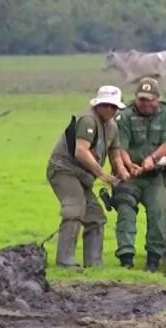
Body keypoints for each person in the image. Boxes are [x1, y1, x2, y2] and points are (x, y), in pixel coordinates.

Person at [46, 85, 124, 268]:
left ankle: (94, 264)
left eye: (113, 107)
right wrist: (103, 175)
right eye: (106, 105)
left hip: (83, 176)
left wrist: (123, 173)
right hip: (64, 170)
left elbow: (115, 153)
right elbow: (81, 151)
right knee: (74, 210)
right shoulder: (88, 120)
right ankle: (65, 262)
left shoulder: (112, 126)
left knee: (96, 216)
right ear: (98, 104)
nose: (109, 110)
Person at [111, 78, 166, 271]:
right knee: (125, 211)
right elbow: (119, 146)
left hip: (154, 175)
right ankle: (126, 257)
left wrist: (152, 159)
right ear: (136, 98)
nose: (146, 103)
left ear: (158, 99)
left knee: (158, 214)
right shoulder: (124, 115)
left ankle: (153, 259)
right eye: (142, 99)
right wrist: (129, 165)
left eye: (150, 99)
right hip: (128, 174)